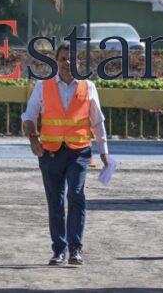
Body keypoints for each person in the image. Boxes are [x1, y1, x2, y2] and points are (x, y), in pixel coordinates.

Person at [21, 42, 110, 266]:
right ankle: (59, 250)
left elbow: (97, 121)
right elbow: (29, 115)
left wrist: (104, 152)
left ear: (79, 61)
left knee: (77, 196)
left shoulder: (88, 87)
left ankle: (75, 249)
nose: (67, 63)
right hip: (50, 152)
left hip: (79, 151)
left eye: (71, 59)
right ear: (56, 61)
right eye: (63, 59)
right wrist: (33, 139)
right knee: (56, 201)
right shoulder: (43, 86)